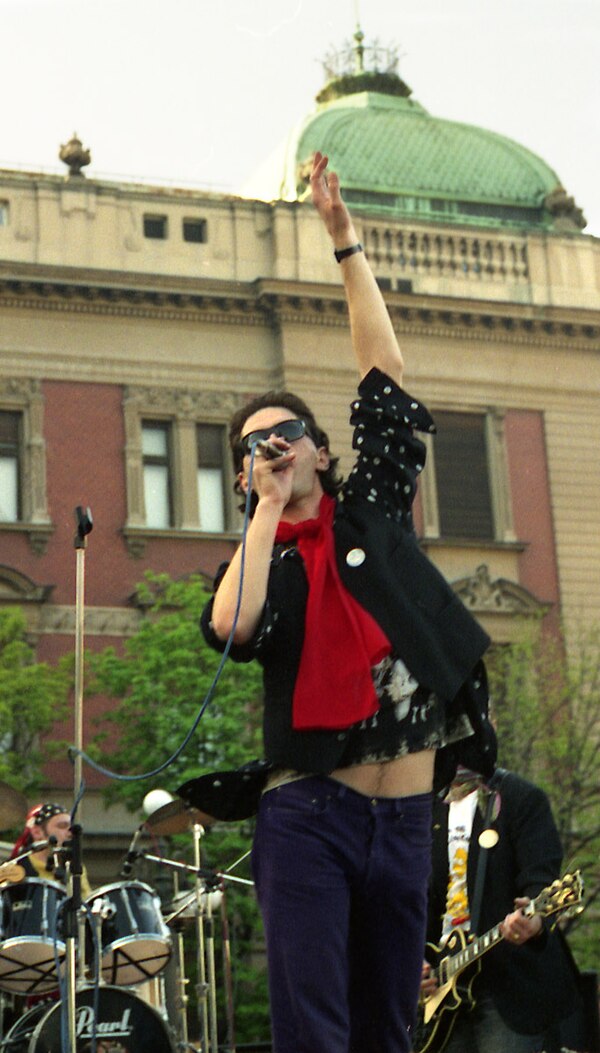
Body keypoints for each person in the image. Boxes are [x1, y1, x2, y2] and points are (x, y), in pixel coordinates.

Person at [199, 152, 493, 1053]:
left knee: (387, 1030)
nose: (272, 450)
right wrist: (263, 508)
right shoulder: (266, 557)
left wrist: (343, 241)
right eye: (253, 447)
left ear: (322, 452)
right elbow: (231, 625)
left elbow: (387, 379)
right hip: (309, 817)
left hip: (403, 814)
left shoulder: (372, 516)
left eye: (286, 437)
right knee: (314, 1031)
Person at [421, 751, 585, 1053]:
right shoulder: (423, 807)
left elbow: (541, 880)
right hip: (439, 998)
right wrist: (411, 960)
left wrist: (535, 921)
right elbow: (407, 896)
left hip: (508, 987)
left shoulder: (521, 798)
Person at [10, 801, 91, 895]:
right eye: (62, 826)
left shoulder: (74, 867)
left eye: (71, 828)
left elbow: (86, 903)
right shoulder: (16, 867)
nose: (70, 833)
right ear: (37, 832)